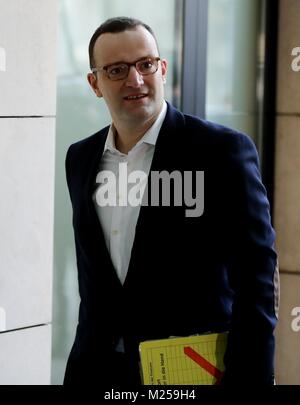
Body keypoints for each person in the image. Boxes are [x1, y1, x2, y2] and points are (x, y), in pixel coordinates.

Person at [63, 17, 279, 386]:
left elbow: (257, 279)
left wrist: (250, 377)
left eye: (145, 64)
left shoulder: (222, 151)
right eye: (116, 70)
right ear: (95, 83)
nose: (135, 80)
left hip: (189, 372)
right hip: (98, 368)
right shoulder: (80, 158)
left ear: (162, 69)